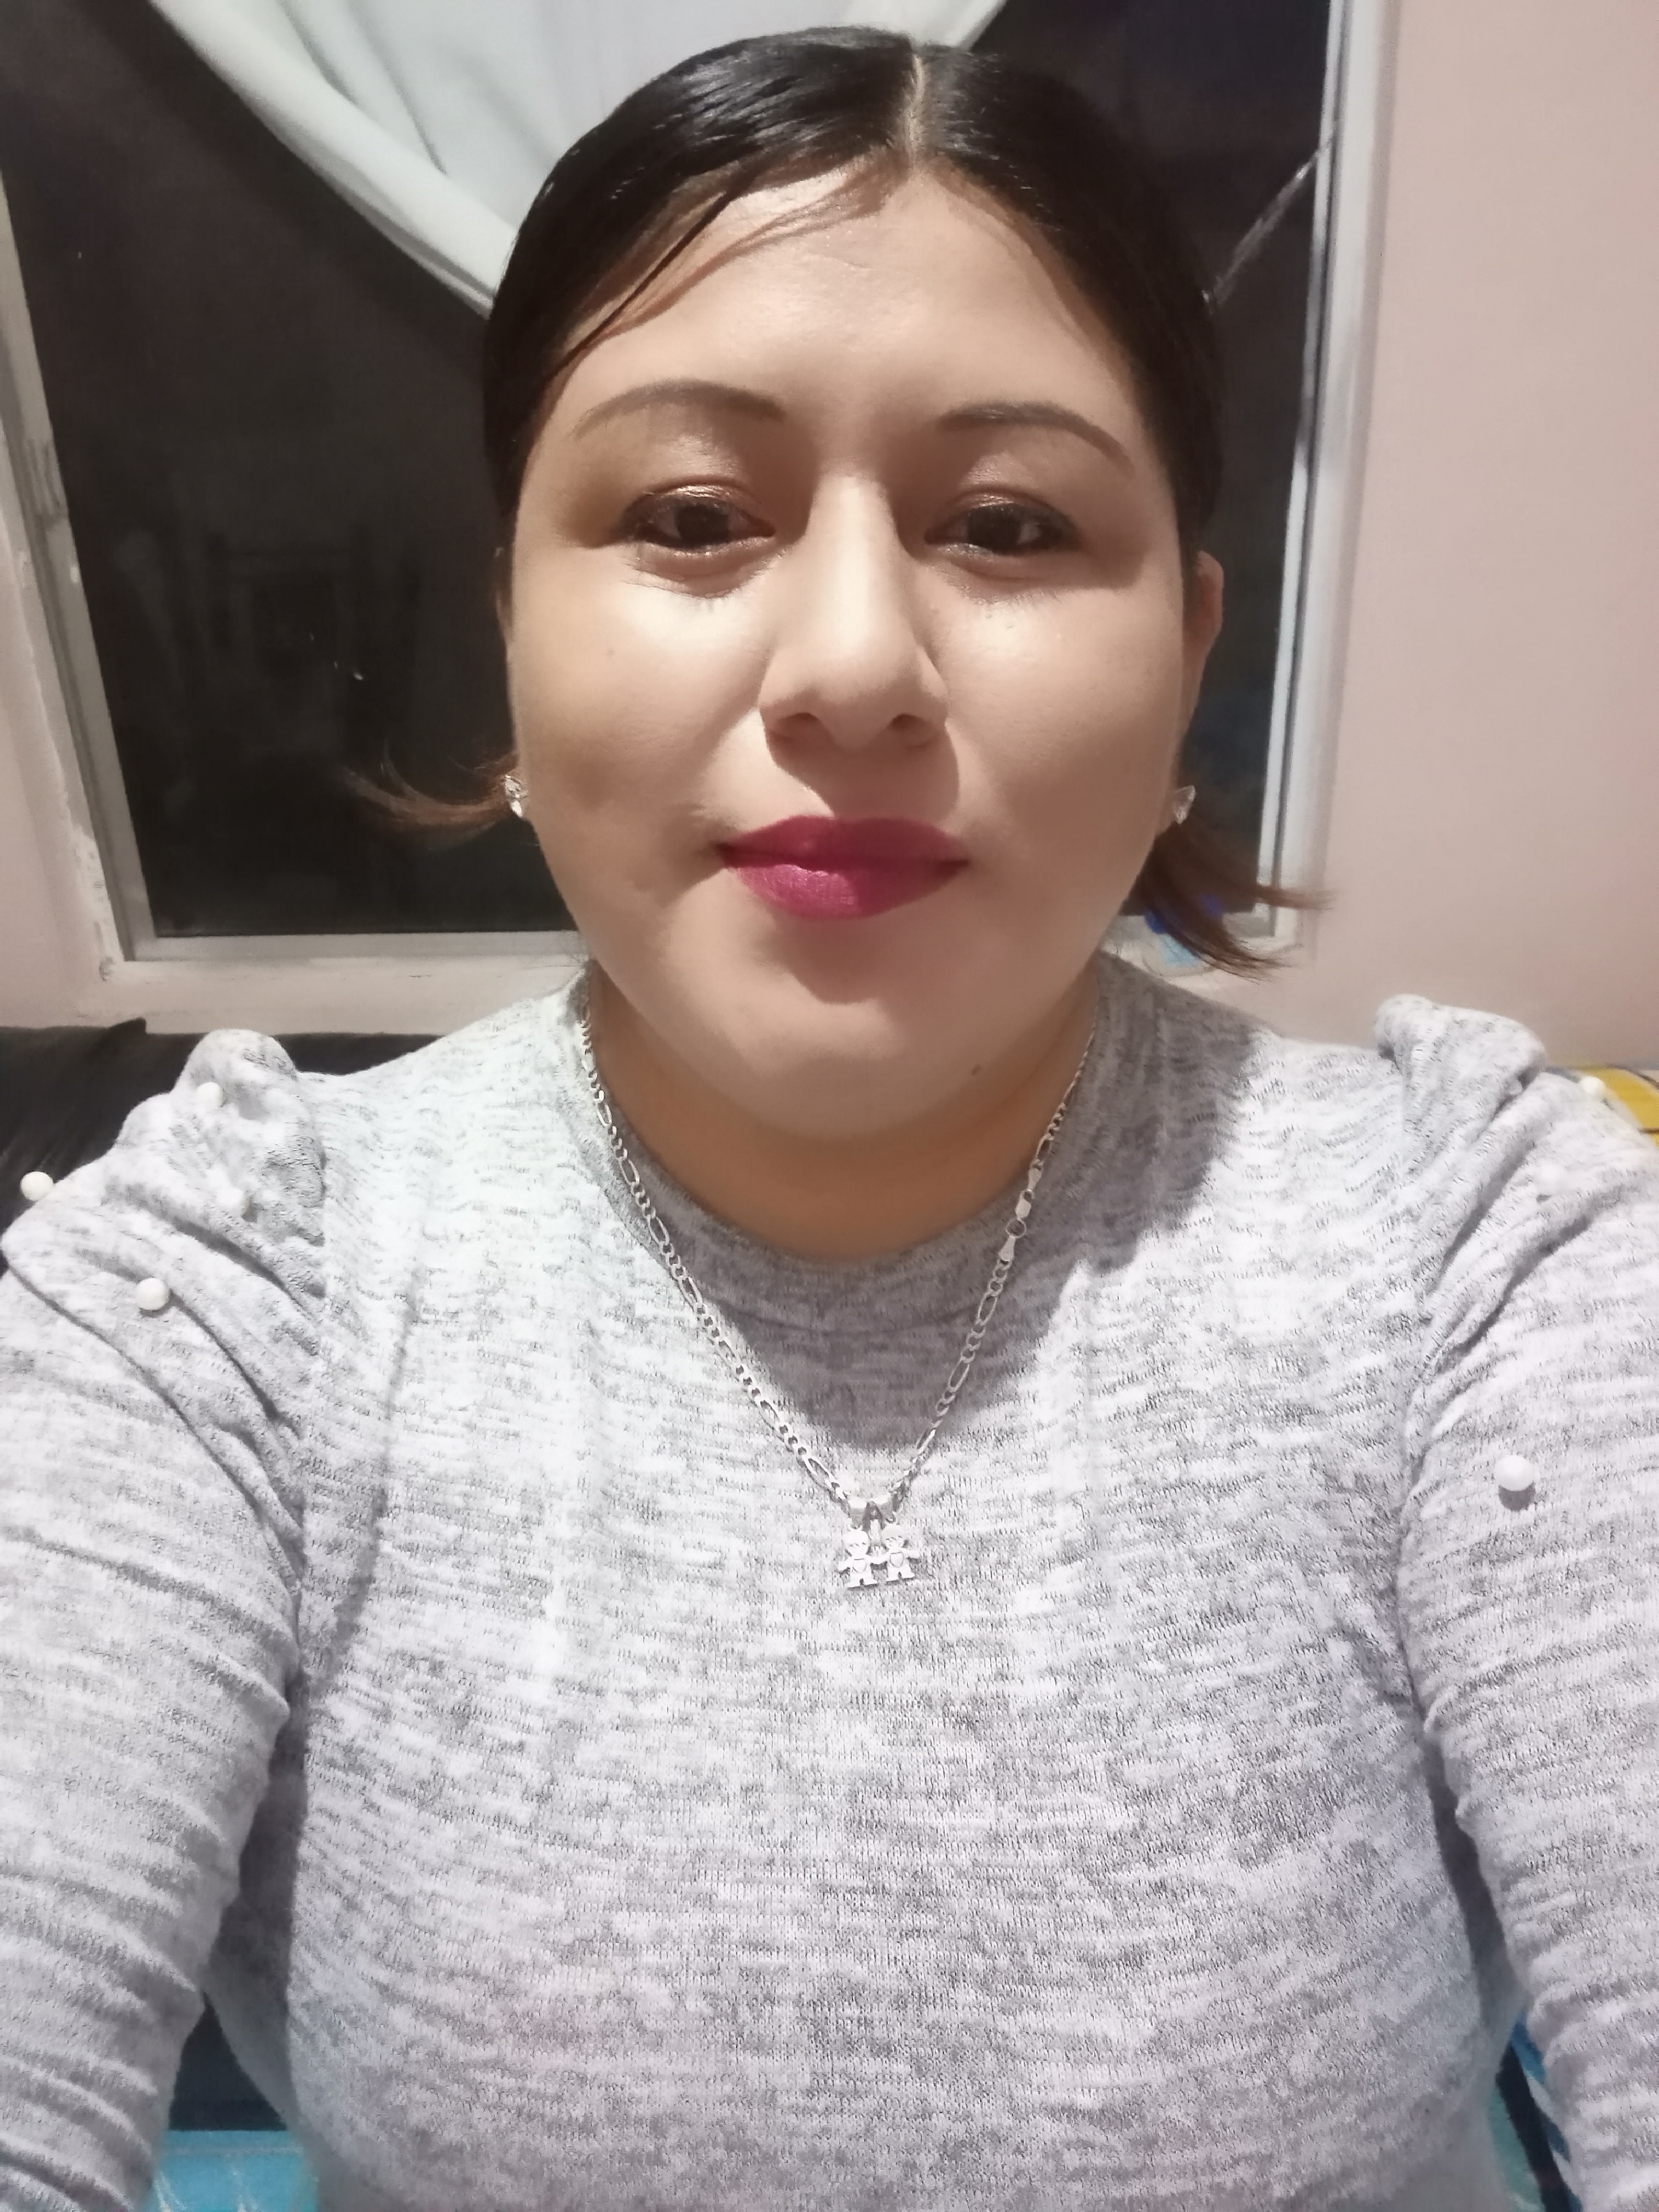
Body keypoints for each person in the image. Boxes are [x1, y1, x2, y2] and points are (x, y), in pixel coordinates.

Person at [2, 28, 1656, 2212]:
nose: (854, 664)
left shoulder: (1489, 1255)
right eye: (692, 518)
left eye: (1009, 524)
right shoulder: (223, 1301)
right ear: (515, 628)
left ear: (1187, 655)